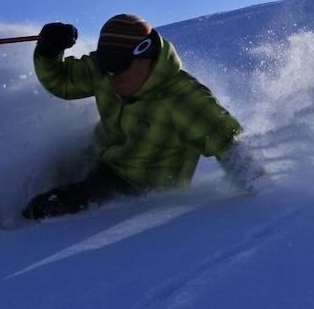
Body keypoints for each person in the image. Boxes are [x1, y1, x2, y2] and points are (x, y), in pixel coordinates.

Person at [22, 13, 260, 220]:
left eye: (118, 63)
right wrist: (49, 50)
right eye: (105, 62)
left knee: (51, 206)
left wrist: (265, 198)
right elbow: (62, 81)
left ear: (144, 53)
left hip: (135, 185)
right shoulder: (107, 73)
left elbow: (231, 147)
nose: (112, 73)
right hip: (99, 154)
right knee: (41, 174)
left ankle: (17, 237)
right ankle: (1, 214)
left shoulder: (181, 98)